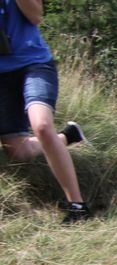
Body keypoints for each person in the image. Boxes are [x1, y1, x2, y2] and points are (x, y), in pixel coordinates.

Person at [0, 0, 90, 224]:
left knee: (41, 125)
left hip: (34, 64)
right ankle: (68, 136)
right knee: (18, 152)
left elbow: (36, 16)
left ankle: (78, 207)